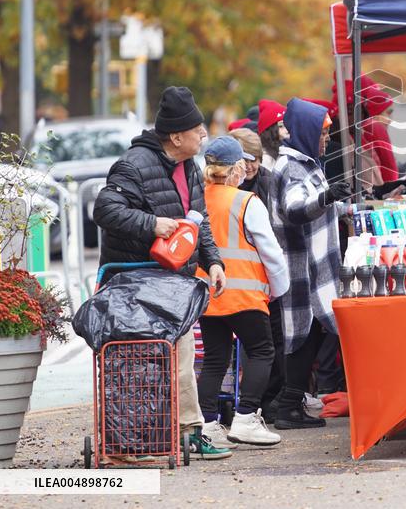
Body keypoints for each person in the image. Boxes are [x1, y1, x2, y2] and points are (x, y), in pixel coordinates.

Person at [92, 86, 231, 460]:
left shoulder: (190, 167)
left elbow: (197, 222)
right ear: (176, 136)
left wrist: (214, 261)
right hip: (134, 283)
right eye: (197, 129)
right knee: (140, 366)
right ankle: (135, 438)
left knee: (183, 358)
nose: (204, 135)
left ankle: (188, 432)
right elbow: (104, 210)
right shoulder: (133, 165)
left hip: (175, 283)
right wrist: (152, 224)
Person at [196, 136, 289, 448]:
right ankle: (246, 418)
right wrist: (279, 287)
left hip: (209, 293)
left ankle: (207, 425)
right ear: (236, 168)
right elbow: (271, 252)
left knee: (214, 359)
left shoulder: (197, 201)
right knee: (262, 351)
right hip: (246, 294)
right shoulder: (247, 202)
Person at [269, 98, 352, 429]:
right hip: (301, 267)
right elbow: (295, 208)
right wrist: (328, 196)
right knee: (301, 334)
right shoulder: (291, 167)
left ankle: (288, 402)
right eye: (323, 132)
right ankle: (288, 405)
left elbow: (322, 207)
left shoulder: (306, 162)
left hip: (316, 268)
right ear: (306, 131)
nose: (326, 139)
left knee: (311, 332)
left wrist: (349, 209)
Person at [230, 127, 284, 419]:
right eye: (246, 159)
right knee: (251, 346)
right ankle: (244, 407)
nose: (252, 165)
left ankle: (270, 400)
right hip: (238, 278)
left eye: (257, 159)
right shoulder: (225, 187)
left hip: (266, 276)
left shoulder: (270, 182)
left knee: (271, 341)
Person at [258, 99, 288, 170]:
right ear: (270, 131)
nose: (287, 130)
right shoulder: (265, 159)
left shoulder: (283, 150)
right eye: (281, 126)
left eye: (287, 124)